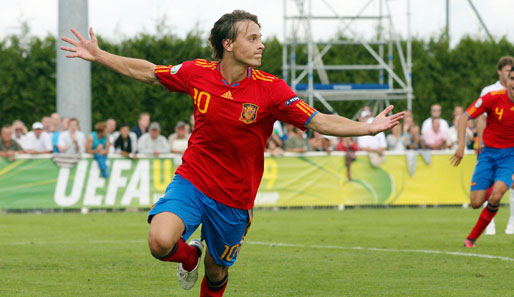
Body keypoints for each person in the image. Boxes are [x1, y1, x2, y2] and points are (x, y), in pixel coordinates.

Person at [60, 10, 404, 296]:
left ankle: (203, 263)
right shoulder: (197, 73)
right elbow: (150, 71)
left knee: (216, 273)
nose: (261, 44)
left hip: (235, 199)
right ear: (228, 44)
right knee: (159, 241)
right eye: (252, 38)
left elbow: (317, 120)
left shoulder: (271, 89)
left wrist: (367, 128)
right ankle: (188, 256)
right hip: (193, 181)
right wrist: (100, 55)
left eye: (259, 37)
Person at [450, 66, 514, 248]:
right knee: (476, 202)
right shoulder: (492, 98)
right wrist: (461, 145)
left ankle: (471, 238)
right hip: (488, 154)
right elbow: (464, 118)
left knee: (496, 197)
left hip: (510, 156)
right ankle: (499, 182)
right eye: (512, 79)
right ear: (507, 81)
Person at [475, 56, 514, 235]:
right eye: (507, 71)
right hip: (491, 148)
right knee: (489, 186)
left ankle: (512, 223)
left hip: (510, 149)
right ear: (500, 72)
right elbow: (481, 117)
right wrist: (481, 141)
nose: (509, 74)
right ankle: (489, 223)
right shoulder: (489, 91)